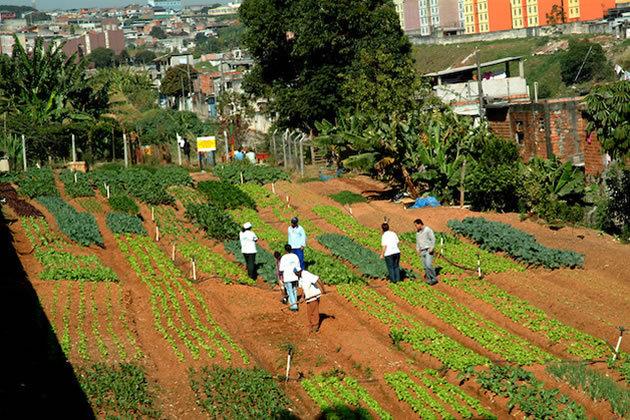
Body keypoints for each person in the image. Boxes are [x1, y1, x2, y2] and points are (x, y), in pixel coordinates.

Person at [297, 269, 325, 333]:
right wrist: (302, 297)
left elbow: (317, 279)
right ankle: (311, 325)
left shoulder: (306, 274)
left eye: (296, 273)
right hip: (308, 296)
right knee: (309, 312)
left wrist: (323, 290)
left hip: (313, 295)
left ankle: (315, 327)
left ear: (299, 271)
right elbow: (304, 288)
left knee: (314, 311)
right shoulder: (300, 277)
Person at [415, 218, 438, 285]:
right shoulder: (417, 232)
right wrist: (417, 249)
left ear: (420, 224)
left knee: (428, 265)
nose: (416, 227)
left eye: (416, 225)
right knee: (425, 266)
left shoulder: (428, 230)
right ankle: (429, 279)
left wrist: (432, 247)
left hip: (428, 250)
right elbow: (417, 242)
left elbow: (433, 239)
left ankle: (434, 278)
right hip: (422, 251)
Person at [279, 244, 301, 311]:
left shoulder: (283, 257)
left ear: (285, 250)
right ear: (291, 249)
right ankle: (295, 303)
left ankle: (293, 306)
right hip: (295, 276)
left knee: (290, 291)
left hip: (287, 277)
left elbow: (281, 269)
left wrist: (280, 276)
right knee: (294, 289)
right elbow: (298, 268)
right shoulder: (295, 256)